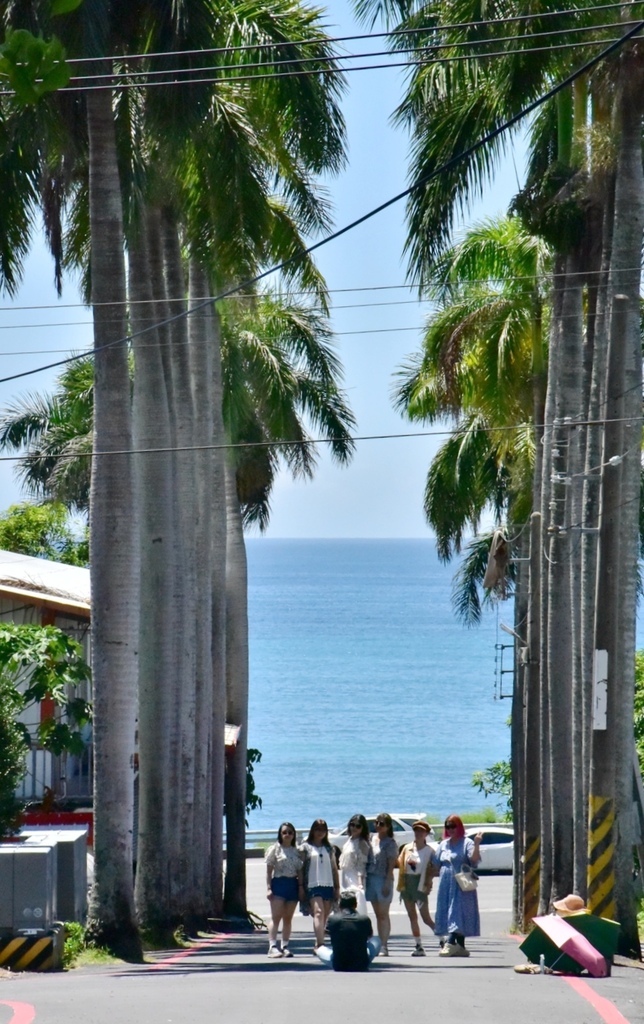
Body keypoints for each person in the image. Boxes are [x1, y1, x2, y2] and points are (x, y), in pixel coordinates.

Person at [432, 814, 482, 957]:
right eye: (448, 826)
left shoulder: (467, 842)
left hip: (461, 882)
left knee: (457, 911)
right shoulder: (443, 844)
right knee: (448, 910)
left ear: (459, 826)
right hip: (445, 882)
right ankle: (460, 946)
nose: (451, 829)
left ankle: (450, 942)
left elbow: (474, 860)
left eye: (453, 826)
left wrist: (477, 843)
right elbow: (436, 864)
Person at [397, 820, 437, 956]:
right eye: (416, 831)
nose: (418, 833)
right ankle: (418, 945)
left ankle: (443, 939)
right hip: (407, 884)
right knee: (412, 916)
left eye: (421, 831)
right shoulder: (407, 848)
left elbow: (435, 869)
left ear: (426, 833)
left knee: (426, 918)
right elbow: (399, 862)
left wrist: (429, 882)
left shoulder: (430, 851)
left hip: (420, 886)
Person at [264, 821, 304, 958]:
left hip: (293, 884)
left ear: (294, 835)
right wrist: (269, 888)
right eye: (284, 832)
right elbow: (269, 871)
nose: (287, 835)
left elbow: (300, 871)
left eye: (290, 832)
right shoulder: (275, 849)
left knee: (288, 918)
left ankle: (285, 945)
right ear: (280, 834)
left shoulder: (297, 851)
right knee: (276, 917)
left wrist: (301, 888)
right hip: (279, 884)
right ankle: (272, 946)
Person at [315, 890, 381, 970]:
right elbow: (370, 936)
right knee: (376, 940)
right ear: (355, 905)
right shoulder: (364, 919)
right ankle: (362, 960)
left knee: (320, 949)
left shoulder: (333, 919)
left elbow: (326, 933)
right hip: (361, 964)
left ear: (340, 905)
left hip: (338, 964)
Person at [300, 818, 340, 949]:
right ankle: (321, 944)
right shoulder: (305, 847)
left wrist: (337, 886)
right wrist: (300, 886)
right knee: (318, 912)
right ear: (312, 830)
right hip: (312, 884)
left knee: (325, 915)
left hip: (328, 884)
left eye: (323, 830)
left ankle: (318, 942)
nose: (320, 832)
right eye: (317, 829)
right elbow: (300, 868)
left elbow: (334, 868)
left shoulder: (329, 848)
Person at [365, 812, 398, 956]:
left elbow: (391, 865)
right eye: (377, 823)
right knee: (377, 914)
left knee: (384, 914)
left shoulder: (390, 843)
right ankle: (379, 943)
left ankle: (384, 945)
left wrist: (387, 883)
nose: (379, 826)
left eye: (382, 824)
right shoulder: (372, 838)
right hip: (371, 878)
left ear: (388, 826)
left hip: (383, 878)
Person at [338, 813, 370, 915]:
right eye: (352, 824)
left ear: (362, 828)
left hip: (355, 877)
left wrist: (360, 884)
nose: (354, 828)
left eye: (358, 826)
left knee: (355, 903)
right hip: (345, 876)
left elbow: (362, 865)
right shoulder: (350, 840)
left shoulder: (362, 843)